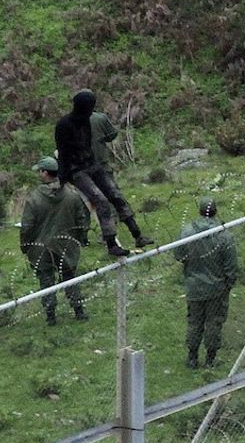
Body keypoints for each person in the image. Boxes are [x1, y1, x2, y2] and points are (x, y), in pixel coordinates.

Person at [54, 88, 149, 258]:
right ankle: (111, 243)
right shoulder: (64, 125)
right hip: (76, 170)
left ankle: (137, 234)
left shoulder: (84, 121)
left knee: (115, 194)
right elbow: (63, 152)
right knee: (101, 201)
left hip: (91, 164)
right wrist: (63, 178)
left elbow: (87, 145)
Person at [20, 156, 91, 324]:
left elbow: (26, 227)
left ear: (45, 173)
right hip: (66, 245)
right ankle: (79, 310)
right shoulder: (72, 196)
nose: (39, 173)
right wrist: (79, 239)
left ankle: (51, 316)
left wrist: (25, 246)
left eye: (40, 170)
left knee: (46, 281)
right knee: (70, 278)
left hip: (41, 247)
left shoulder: (33, 199)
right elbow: (82, 221)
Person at [174, 197, 239, 370]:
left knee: (194, 321)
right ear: (216, 211)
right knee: (214, 322)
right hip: (216, 288)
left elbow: (179, 255)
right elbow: (231, 264)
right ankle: (210, 358)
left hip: (194, 286)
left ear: (200, 211)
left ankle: (192, 357)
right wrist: (229, 283)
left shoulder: (187, 231)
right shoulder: (223, 235)